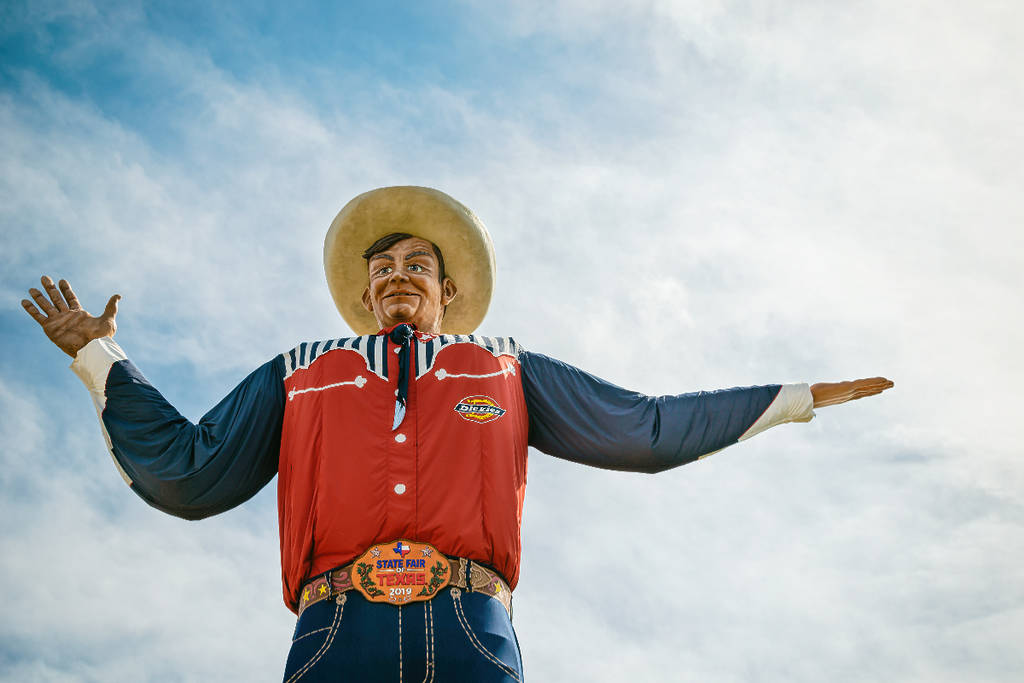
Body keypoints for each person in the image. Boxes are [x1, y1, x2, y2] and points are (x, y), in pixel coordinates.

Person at [22, 186, 893, 682]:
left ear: (447, 292)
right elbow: (190, 469)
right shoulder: (302, 370)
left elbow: (645, 425)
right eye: (382, 269)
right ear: (366, 294)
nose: (397, 276)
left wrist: (794, 397)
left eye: (417, 265)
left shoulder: (505, 367)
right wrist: (99, 355)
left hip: (472, 624)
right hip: (336, 630)